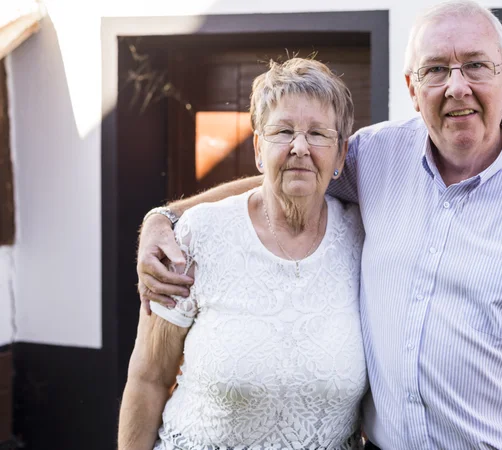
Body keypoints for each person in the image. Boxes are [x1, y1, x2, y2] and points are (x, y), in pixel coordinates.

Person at [136, 1, 502, 449]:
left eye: (476, 65)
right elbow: (291, 173)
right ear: (413, 87)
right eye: (436, 69)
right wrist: (168, 216)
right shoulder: (376, 156)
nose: (456, 87)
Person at [119, 58, 367, 450]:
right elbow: (148, 379)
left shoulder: (363, 238)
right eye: (283, 131)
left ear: (341, 156)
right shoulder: (198, 235)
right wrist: (160, 216)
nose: (299, 147)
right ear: (257, 148)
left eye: (318, 134)